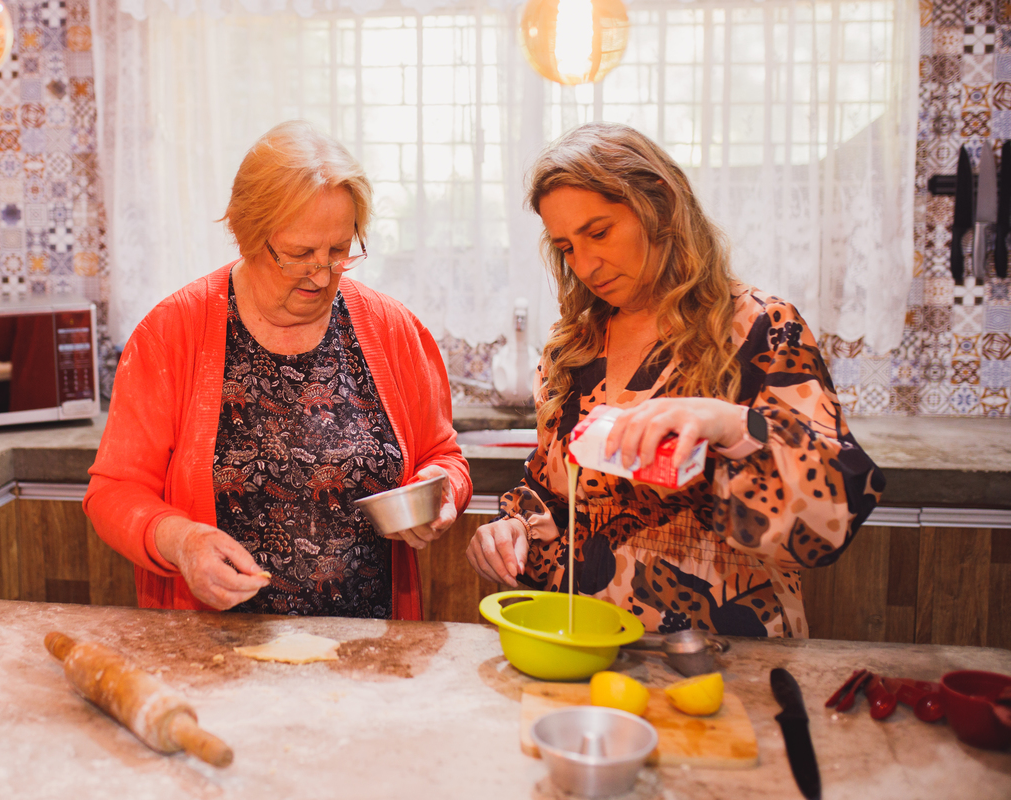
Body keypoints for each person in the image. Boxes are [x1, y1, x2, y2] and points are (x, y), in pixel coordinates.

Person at [466, 123, 883, 638]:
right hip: (581, 639)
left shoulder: (759, 329)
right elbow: (554, 489)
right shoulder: (572, 347)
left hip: (720, 646)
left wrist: (730, 424)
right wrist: (515, 527)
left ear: (658, 205)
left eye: (599, 232)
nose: (587, 263)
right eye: (567, 246)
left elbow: (830, 518)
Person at [85, 120, 471, 620]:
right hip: (215, 654)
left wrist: (441, 496)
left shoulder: (393, 329)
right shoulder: (171, 334)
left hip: (371, 654)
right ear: (247, 236)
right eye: (299, 254)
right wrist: (182, 540)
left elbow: (445, 458)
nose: (322, 273)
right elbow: (113, 493)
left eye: (338, 251)